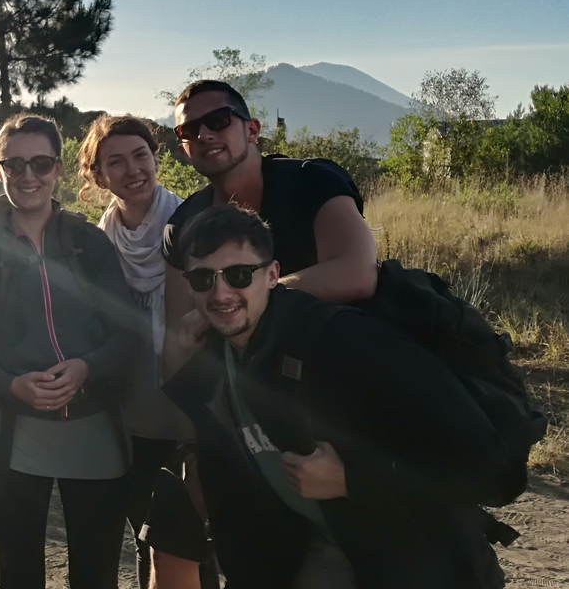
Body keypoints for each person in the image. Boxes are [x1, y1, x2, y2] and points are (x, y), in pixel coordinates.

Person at [163, 204, 507, 588]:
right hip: (319, 554)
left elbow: (490, 465)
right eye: (202, 279)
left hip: (412, 561)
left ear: (273, 275)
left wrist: (351, 481)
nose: (221, 292)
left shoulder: (341, 343)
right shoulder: (217, 358)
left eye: (240, 275)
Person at [148, 79, 381, 588]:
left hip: (339, 412)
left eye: (219, 120)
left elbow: (359, 271)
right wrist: (193, 449)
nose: (206, 133)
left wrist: (249, 296)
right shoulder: (184, 223)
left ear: (251, 128)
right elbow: (181, 341)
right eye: (190, 127)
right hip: (244, 426)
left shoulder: (311, 182)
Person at [0, 114, 137, 589]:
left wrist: (85, 369)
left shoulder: (88, 243)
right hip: (14, 434)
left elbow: (129, 335)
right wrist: (11, 385)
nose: (28, 175)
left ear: (58, 168)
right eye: (15, 165)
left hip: (94, 429)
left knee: (96, 576)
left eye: (40, 163)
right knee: (18, 576)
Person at [76, 114, 192, 583]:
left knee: (187, 544)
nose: (133, 170)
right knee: (145, 536)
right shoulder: (98, 241)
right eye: (116, 162)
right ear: (99, 176)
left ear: (156, 157)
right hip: (128, 417)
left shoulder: (191, 224)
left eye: (141, 155)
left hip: (189, 414)